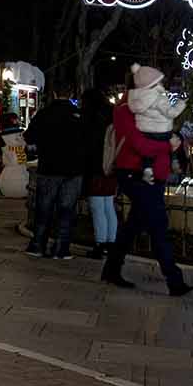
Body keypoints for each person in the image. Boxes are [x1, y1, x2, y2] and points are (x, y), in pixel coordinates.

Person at [101, 64, 193, 297]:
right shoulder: (124, 110)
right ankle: (174, 279)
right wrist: (167, 144)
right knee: (158, 224)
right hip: (135, 173)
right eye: (156, 85)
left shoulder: (154, 107)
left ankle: (111, 268)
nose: (160, 88)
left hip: (155, 175)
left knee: (134, 224)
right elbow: (138, 144)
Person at [22, 86, 86, 260]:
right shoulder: (79, 115)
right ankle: (61, 248)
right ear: (71, 94)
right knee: (66, 210)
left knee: (44, 208)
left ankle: (37, 245)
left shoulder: (44, 114)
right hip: (74, 169)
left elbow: (29, 136)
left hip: (49, 167)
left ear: (54, 93)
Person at [126, 64, 185, 183]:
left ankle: (147, 169)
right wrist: (181, 103)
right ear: (154, 84)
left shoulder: (136, 99)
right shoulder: (158, 98)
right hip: (162, 131)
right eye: (160, 82)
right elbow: (171, 113)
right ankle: (174, 161)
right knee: (173, 141)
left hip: (145, 132)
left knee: (148, 154)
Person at [81, 88, 118, 259]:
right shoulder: (112, 114)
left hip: (95, 168)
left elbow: (87, 146)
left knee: (97, 207)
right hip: (111, 167)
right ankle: (111, 243)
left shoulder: (90, 117)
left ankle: (100, 244)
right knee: (109, 206)